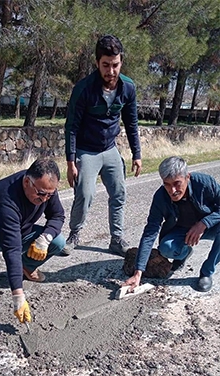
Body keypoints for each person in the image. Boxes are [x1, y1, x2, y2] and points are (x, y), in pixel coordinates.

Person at [60, 34, 142, 258]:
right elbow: (72, 127)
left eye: (115, 65)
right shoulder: (83, 88)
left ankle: (116, 239)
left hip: (110, 148)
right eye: (105, 65)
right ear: (97, 63)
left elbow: (131, 122)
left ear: (121, 61)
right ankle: (74, 235)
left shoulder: (128, 88)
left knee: (119, 193)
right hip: (87, 150)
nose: (111, 71)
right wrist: (71, 161)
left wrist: (137, 153)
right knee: (85, 194)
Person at [0, 158, 66, 335]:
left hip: (20, 231)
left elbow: (58, 216)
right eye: (41, 194)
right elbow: (11, 248)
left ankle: (26, 267)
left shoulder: (47, 188)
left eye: (49, 195)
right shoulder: (5, 195)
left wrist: (45, 238)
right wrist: (18, 296)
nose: (44, 199)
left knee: (58, 241)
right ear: (27, 182)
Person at [124, 156, 220, 293]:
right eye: (167, 184)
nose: (172, 190)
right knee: (166, 248)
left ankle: (207, 272)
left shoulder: (204, 183)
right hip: (182, 231)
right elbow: (150, 231)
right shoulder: (160, 197)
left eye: (177, 183)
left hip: (209, 227)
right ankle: (183, 254)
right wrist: (138, 272)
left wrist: (204, 223)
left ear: (187, 177)